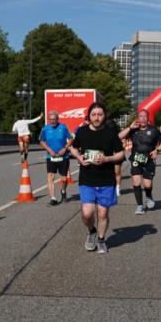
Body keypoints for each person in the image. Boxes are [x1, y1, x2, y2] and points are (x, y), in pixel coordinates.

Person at [69, 103, 124, 254]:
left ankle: (101, 239)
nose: (97, 117)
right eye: (94, 114)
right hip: (87, 178)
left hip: (106, 179)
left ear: (104, 116)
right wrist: (79, 157)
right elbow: (72, 147)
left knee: (103, 213)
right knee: (87, 213)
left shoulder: (111, 133)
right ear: (89, 116)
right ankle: (91, 231)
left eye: (100, 114)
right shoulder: (82, 131)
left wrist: (106, 159)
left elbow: (121, 154)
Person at [119, 109, 161, 215]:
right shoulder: (133, 130)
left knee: (147, 184)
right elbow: (119, 136)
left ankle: (149, 195)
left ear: (148, 118)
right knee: (136, 181)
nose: (143, 119)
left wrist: (157, 150)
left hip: (149, 160)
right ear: (138, 118)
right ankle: (139, 206)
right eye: (141, 116)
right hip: (136, 159)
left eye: (145, 116)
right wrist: (130, 127)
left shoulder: (153, 130)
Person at [39, 111, 74, 206]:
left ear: (58, 119)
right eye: (51, 120)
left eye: (54, 119)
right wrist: (49, 150)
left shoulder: (63, 127)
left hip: (63, 156)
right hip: (51, 157)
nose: (53, 121)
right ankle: (53, 198)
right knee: (50, 177)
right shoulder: (45, 129)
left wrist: (65, 148)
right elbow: (41, 141)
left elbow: (71, 139)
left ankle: (63, 191)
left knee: (64, 179)